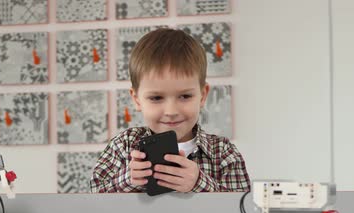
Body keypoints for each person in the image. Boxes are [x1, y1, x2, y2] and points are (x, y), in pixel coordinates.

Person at [90, 28, 250, 193]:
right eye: (156, 98)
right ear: (137, 99)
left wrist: (199, 183)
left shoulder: (223, 152)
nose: (171, 111)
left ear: (202, 96)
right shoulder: (123, 146)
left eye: (185, 96)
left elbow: (241, 211)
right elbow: (94, 200)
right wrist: (127, 179)